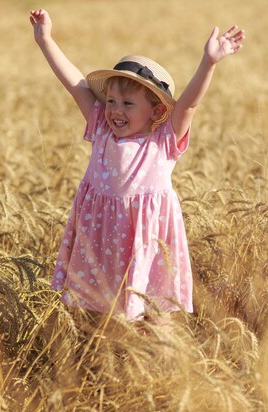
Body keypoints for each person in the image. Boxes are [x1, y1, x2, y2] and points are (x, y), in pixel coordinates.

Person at [30, 8, 245, 322]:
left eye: (128, 104)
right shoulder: (102, 129)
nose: (115, 110)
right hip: (99, 238)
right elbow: (75, 83)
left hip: (146, 241)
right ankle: (97, 361)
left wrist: (208, 62)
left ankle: (160, 364)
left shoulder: (163, 141)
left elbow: (189, 104)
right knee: (92, 313)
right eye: (112, 101)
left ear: (156, 111)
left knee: (154, 314)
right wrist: (45, 40)